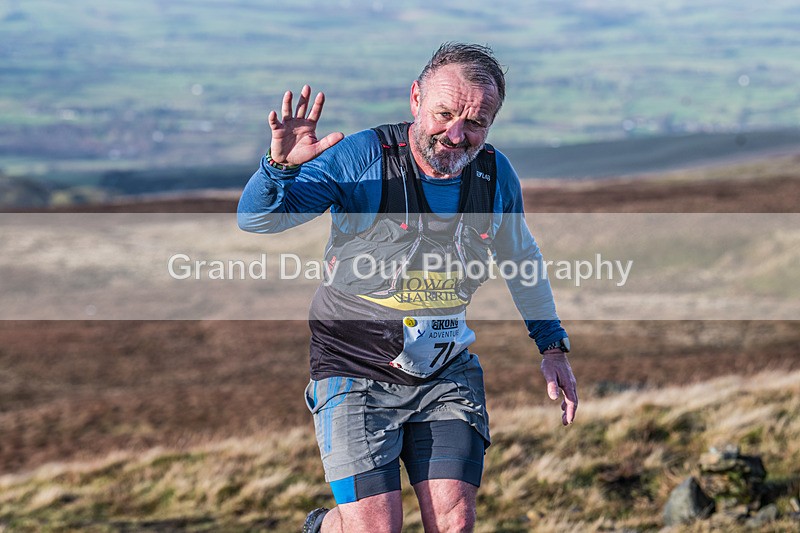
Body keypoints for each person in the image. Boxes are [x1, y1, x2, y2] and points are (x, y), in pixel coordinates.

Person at [238, 43, 578, 533]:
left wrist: (552, 347)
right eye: (444, 114)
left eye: (476, 123)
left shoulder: (494, 175)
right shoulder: (364, 158)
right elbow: (258, 220)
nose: (457, 136)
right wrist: (280, 170)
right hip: (353, 366)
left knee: (455, 523)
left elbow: (521, 259)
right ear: (415, 98)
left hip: (445, 371)